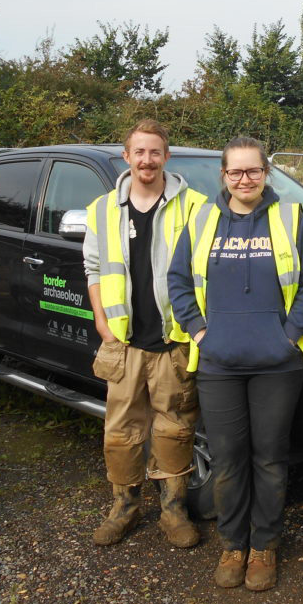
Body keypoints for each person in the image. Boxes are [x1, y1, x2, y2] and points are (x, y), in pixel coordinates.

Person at [168, 136, 303, 592]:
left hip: (277, 364)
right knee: (230, 459)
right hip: (219, 364)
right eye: (235, 172)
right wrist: (199, 331)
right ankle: (233, 544)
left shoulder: (291, 218)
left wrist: (289, 336)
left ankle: (264, 547)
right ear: (224, 176)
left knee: (271, 458)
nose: (244, 179)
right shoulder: (201, 220)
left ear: (265, 172)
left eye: (253, 170)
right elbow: (178, 280)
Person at [82, 119, 207, 550]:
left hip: (174, 342)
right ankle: (124, 509)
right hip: (125, 344)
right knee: (120, 433)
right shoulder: (102, 210)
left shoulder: (196, 207)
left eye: (155, 152)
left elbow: (207, 270)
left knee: (175, 431)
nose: (147, 160)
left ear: (166, 157)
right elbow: (93, 270)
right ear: (127, 157)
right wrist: (102, 321)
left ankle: (174, 513)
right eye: (140, 152)